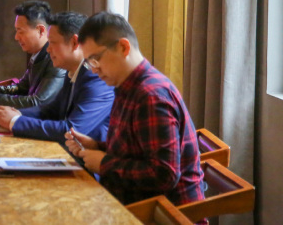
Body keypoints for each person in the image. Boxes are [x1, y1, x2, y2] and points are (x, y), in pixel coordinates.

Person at [64, 12, 205, 206]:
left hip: (162, 212)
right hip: (131, 202)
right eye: (88, 63)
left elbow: (164, 175)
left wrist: (104, 163)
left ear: (123, 47)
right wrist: (97, 146)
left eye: (95, 59)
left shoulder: (151, 96)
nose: (94, 69)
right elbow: (136, 151)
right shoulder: (126, 86)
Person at [0, 11, 114, 144]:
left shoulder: (96, 78)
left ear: (74, 42)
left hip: (86, 154)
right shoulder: (74, 70)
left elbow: (71, 131)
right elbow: (50, 110)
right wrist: (18, 113)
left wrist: (15, 121)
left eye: (53, 43)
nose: (48, 49)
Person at [0, 0, 65, 108]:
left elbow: (39, 102)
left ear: (41, 30)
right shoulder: (37, 54)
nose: (16, 37)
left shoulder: (55, 59)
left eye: (21, 31)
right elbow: (21, 88)